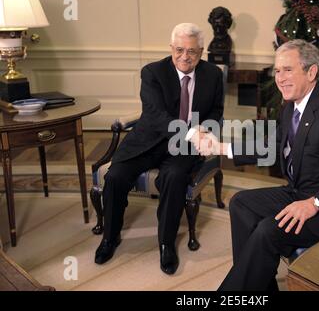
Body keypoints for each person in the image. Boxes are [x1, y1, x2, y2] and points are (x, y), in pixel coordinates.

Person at [193, 39, 319, 290]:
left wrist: (315, 203)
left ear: (311, 72)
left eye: (288, 69)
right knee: (241, 204)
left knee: (268, 230)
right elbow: (272, 147)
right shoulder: (291, 107)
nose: (280, 78)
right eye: (277, 71)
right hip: (300, 192)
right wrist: (221, 148)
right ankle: (259, 286)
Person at [94, 23, 224, 275]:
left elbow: (216, 110)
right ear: (171, 48)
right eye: (179, 50)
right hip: (148, 141)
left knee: (174, 177)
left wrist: (205, 130)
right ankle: (110, 237)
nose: (185, 57)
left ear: (201, 51)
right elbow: (154, 115)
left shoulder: (213, 75)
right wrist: (189, 131)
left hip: (184, 146)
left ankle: (166, 243)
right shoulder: (153, 72)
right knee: (115, 177)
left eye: (192, 52)